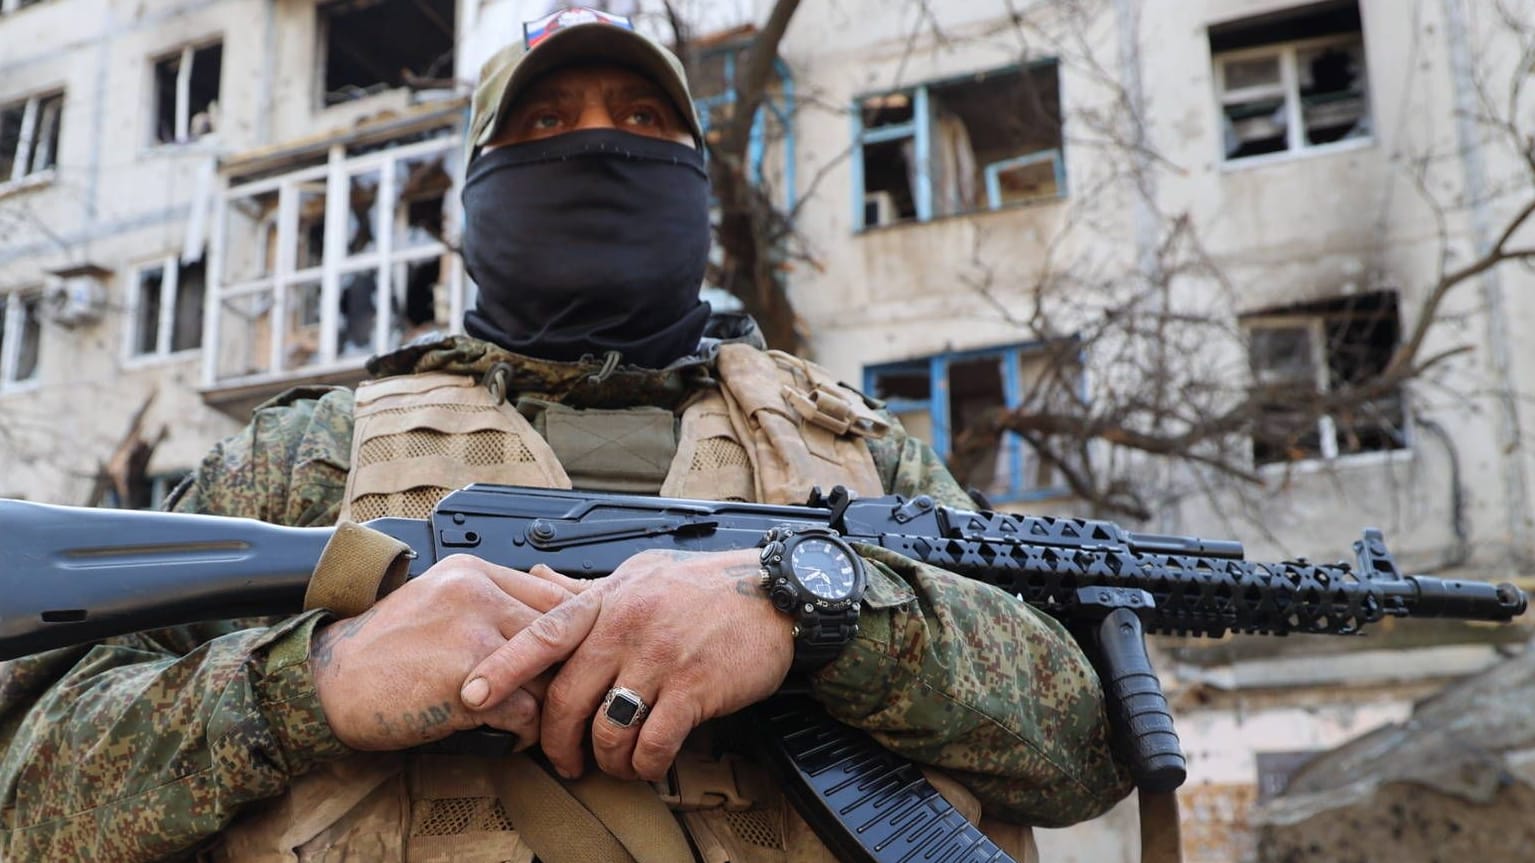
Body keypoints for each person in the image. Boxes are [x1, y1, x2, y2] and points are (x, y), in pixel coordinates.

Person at [0, 8, 1131, 862]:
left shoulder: (855, 448)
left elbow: (1085, 748)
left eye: (641, 124)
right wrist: (313, 684)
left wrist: (815, 612)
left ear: (693, 186)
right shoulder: (304, 455)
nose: (597, 149)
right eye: (544, 126)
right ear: (477, 198)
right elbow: (24, 796)